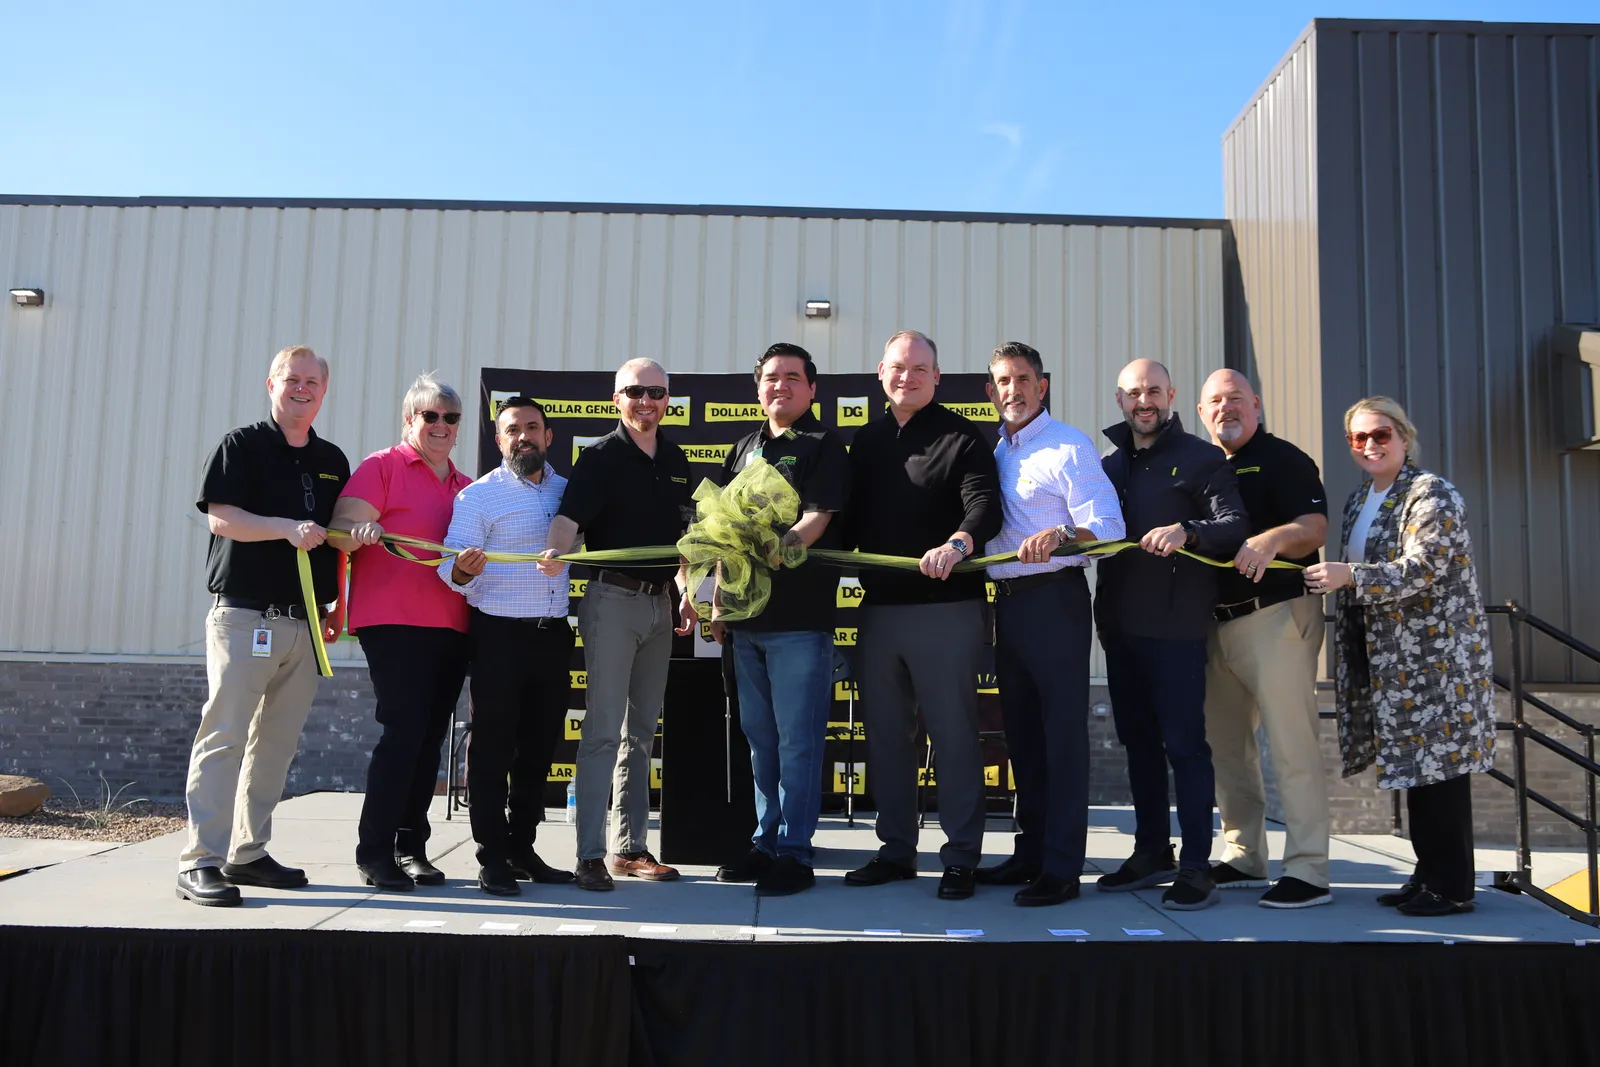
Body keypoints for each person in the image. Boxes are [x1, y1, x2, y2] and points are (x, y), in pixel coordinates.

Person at [1304, 397, 1495, 917]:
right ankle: (1427, 874)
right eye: (1359, 438)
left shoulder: (1430, 493)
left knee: (1442, 778)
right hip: (1389, 662)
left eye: (1381, 435)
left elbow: (1425, 567)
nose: (1370, 445)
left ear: (1404, 437)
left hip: (1436, 663)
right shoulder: (1359, 499)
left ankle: (1452, 887)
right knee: (1414, 774)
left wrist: (1351, 576)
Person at [177, 345, 350, 907]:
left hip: (304, 622)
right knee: (224, 735)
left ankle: (248, 853)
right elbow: (220, 517)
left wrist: (332, 607)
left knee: (274, 744)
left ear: (324, 391)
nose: (302, 389)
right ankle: (199, 859)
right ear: (271, 384)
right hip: (245, 614)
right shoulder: (241, 446)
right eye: (291, 379)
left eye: (312, 382)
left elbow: (334, 539)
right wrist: (283, 527)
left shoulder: (331, 459)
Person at [841, 330, 1002, 901]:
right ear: (879, 373)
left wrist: (958, 543)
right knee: (886, 738)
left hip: (946, 610)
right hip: (880, 612)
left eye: (919, 369)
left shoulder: (964, 437)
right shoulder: (865, 442)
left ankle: (961, 857)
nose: (907, 377)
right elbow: (842, 523)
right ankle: (896, 851)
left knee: (954, 737)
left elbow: (985, 505)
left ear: (937, 377)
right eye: (897, 367)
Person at [538, 360, 697, 892]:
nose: (645, 400)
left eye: (656, 391)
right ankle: (589, 855)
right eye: (635, 391)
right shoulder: (601, 456)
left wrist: (688, 595)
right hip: (612, 600)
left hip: (660, 605)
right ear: (616, 398)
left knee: (642, 734)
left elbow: (686, 540)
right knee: (604, 731)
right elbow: (568, 520)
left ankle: (629, 850)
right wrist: (556, 551)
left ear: (667, 399)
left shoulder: (676, 459)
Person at [975, 342, 1124, 907]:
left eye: (1022, 379)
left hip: (1054, 601)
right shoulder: (997, 452)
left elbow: (1110, 528)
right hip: (1006, 605)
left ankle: (1062, 869)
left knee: (1061, 739)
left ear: (1043, 386)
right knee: (1023, 738)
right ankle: (1030, 852)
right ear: (991, 392)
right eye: (1002, 381)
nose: (1012, 390)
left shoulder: (1069, 446)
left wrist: (1063, 537)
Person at [1096, 358, 1248, 911]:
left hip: (1177, 628)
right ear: (1120, 400)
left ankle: (1195, 866)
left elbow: (1235, 527)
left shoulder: (1202, 458)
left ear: (1171, 395)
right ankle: (1151, 851)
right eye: (1135, 393)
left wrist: (1189, 530)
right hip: (1119, 627)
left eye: (1154, 391)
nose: (1145, 401)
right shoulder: (1108, 465)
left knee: (1185, 746)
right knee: (1138, 746)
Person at [710, 343, 850, 898]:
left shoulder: (824, 445)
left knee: (797, 742)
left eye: (793, 378)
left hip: (799, 618)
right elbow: (716, 528)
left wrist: (783, 545)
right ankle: (764, 843)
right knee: (759, 740)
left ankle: (795, 851)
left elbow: (820, 515)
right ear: (758, 387)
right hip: (747, 623)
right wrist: (719, 601)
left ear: (812, 389)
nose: (781, 386)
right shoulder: (743, 447)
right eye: (771, 377)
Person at [1195, 369, 1334, 909]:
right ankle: (1244, 855)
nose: (1225, 409)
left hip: (1277, 617)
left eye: (1235, 399)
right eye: (1215, 402)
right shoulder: (1204, 466)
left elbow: (1315, 528)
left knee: (1291, 746)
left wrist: (1272, 539)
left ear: (1256, 403)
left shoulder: (1284, 458)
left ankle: (1309, 871)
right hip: (1216, 625)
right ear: (1202, 412)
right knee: (1228, 749)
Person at [329, 372, 473, 892]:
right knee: (404, 734)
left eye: (449, 418)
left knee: (429, 741)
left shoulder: (466, 486)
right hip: (393, 622)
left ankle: (411, 848)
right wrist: (358, 531)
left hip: (454, 624)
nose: (439, 425)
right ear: (409, 419)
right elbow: (342, 532)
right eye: (429, 415)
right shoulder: (381, 467)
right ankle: (374, 852)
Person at [439, 397, 577, 897]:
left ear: (548, 436)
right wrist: (460, 570)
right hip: (498, 635)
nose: (523, 436)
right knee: (494, 750)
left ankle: (522, 847)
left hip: (554, 634)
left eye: (532, 428)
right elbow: (449, 567)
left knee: (539, 750)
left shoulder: (569, 491)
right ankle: (491, 856)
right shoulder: (478, 497)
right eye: (512, 430)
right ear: (499, 441)